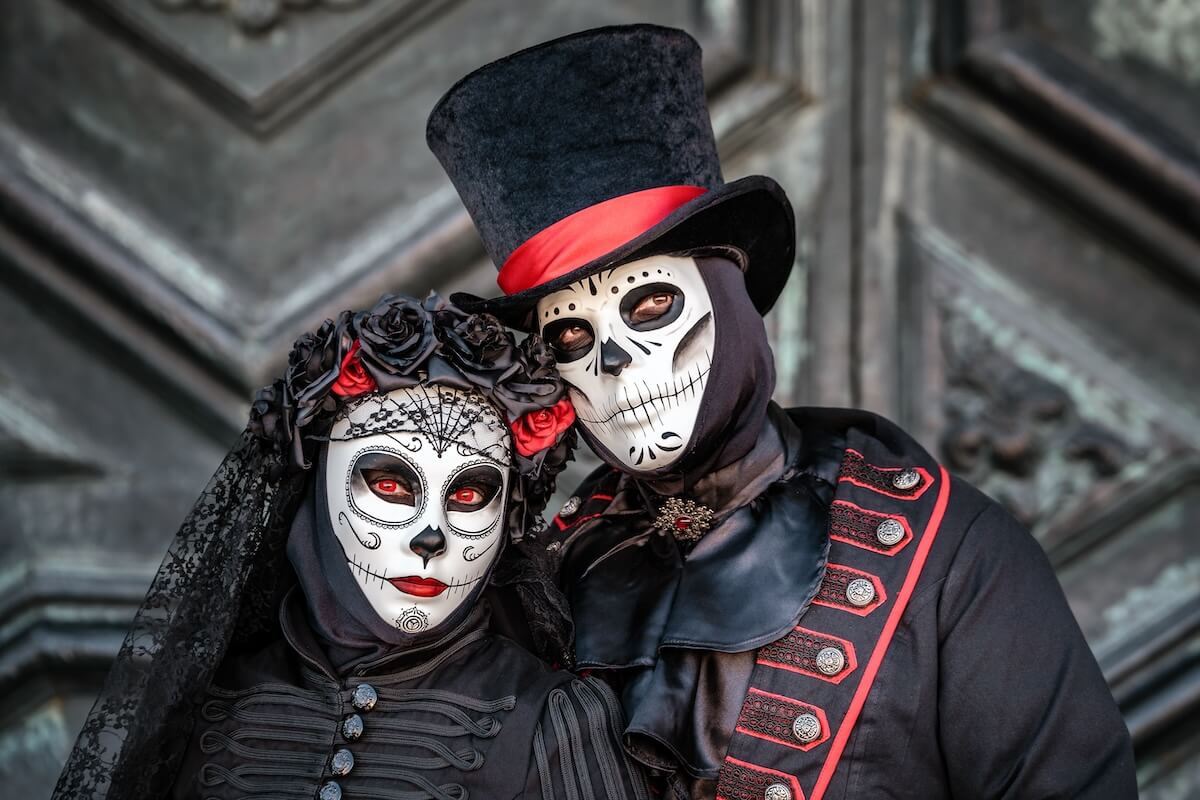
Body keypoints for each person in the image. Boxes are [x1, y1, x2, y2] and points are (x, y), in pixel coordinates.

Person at [426, 24, 1138, 800]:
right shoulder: (545, 584)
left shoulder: (948, 557)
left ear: (729, 299)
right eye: (571, 334)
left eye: (653, 303)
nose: (613, 363)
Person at [53, 294, 649, 800]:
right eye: (390, 483)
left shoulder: (555, 720)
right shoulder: (208, 699)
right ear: (315, 491)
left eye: (469, 494)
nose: (430, 537)